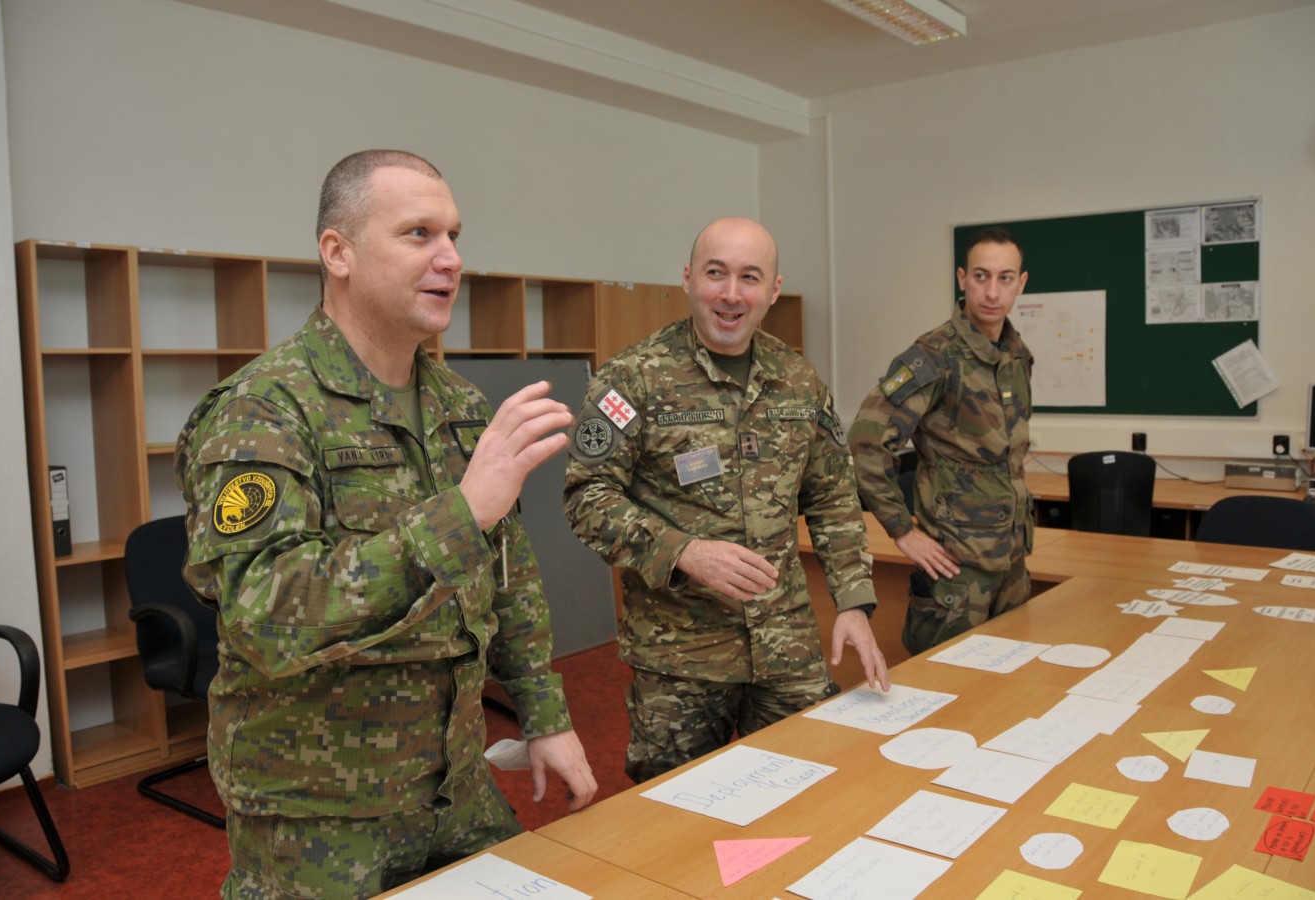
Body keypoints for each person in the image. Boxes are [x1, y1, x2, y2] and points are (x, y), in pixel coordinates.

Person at [175, 149, 597, 898]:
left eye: (455, 235)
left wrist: (544, 715)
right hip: (319, 813)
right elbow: (263, 615)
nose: (451, 258)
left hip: (455, 784)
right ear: (337, 252)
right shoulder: (263, 409)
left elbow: (509, 579)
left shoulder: (461, 406)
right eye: (418, 234)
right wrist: (459, 514)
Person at [563, 216, 890, 784]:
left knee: (811, 790)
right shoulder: (634, 379)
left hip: (786, 645)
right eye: (716, 273)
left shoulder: (799, 381)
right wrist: (683, 551)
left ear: (773, 290)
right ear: (688, 278)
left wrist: (854, 603)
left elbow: (833, 497)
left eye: (750, 277)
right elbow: (586, 497)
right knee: (678, 808)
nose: (731, 294)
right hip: (680, 657)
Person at [848, 226, 1034, 656]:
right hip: (956, 574)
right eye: (981, 276)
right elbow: (865, 442)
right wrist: (901, 531)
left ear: (1020, 283)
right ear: (962, 278)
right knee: (945, 685)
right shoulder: (934, 357)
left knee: (1013, 684)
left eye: (1005, 278)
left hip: (1011, 565)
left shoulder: (1016, 355)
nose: (992, 291)